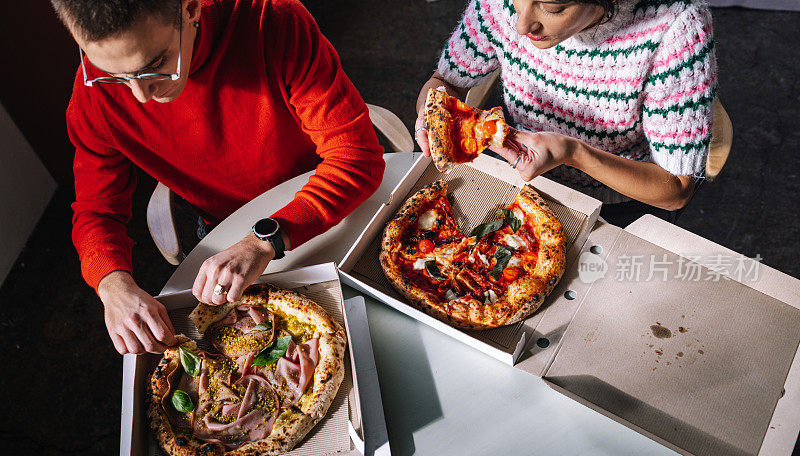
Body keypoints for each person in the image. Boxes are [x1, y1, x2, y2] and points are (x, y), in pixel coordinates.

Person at [53, 0, 385, 355]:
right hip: (222, 226)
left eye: (155, 65)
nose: (140, 96)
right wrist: (112, 285)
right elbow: (96, 213)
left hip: (328, 197)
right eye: (114, 75)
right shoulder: (92, 98)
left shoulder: (271, 21)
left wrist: (262, 241)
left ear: (191, 9)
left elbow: (356, 158)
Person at [415, 0, 717, 226]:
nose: (522, 26)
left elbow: (676, 190)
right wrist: (433, 114)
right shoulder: (503, 5)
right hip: (515, 177)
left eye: (553, 7)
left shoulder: (677, 25)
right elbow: (445, 83)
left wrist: (574, 153)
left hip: (620, 202)